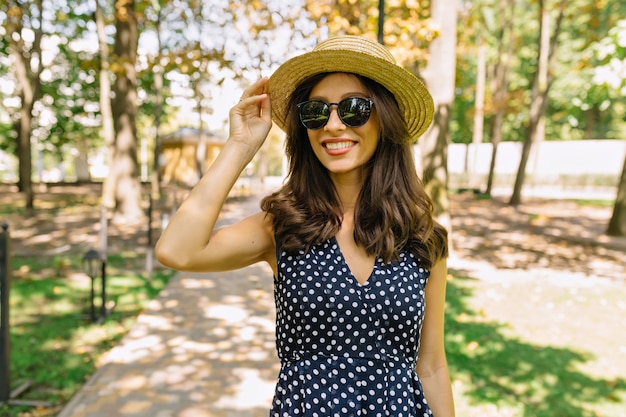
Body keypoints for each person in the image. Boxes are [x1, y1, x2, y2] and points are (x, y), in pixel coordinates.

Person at [155, 35, 455, 417]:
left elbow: (431, 366)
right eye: (316, 111)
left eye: (354, 109)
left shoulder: (424, 237)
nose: (332, 125)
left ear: (385, 117)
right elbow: (177, 250)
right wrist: (240, 147)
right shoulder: (281, 227)